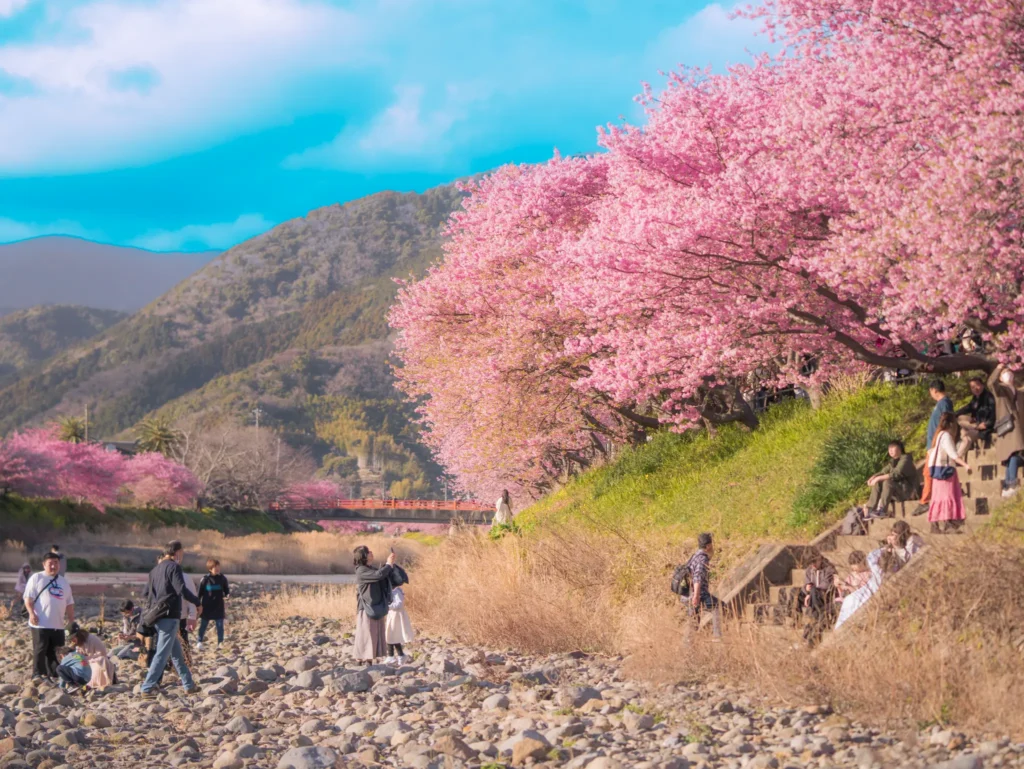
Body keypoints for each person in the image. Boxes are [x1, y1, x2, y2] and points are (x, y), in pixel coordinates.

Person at [139, 540, 201, 696]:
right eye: (182, 553)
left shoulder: (155, 570)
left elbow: (146, 595)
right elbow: (181, 589)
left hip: (157, 616)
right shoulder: (174, 567)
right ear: (177, 552)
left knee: (177, 654)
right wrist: (197, 602)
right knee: (162, 653)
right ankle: (147, 687)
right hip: (170, 615)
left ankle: (188, 685)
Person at [22, 552, 74, 680]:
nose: (53, 566)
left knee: (57, 650)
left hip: (58, 624)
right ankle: (37, 674)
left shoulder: (63, 581)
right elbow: (28, 599)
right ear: (44, 565)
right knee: (40, 649)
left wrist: (71, 621)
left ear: (59, 565)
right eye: (50, 563)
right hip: (40, 622)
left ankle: (55, 673)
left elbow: (69, 602)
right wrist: (31, 613)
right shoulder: (37, 578)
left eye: (56, 563)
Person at [912, 380, 955, 515]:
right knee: (929, 473)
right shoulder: (940, 404)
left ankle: (925, 501)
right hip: (933, 444)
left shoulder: (945, 403)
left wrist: (936, 440)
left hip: (936, 444)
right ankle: (930, 499)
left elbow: (945, 422)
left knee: (928, 473)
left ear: (933, 390)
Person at [834, 547, 901, 630]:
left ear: (862, 563)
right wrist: (840, 586)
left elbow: (864, 590)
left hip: (860, 597)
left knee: (849, 602)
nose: (854, 569)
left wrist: (850, 587)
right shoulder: (851, 576)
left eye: (856, 566)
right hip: (849, 597)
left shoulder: (870, 574)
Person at [927, 412, 972, 533]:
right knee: (948, 496)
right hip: (946, 472)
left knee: (938, 498)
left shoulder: (938, 435)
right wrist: (966, 465)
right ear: (952, 424)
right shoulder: (946, 436)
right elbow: (953, 454)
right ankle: (949, 524)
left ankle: (935, 525)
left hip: (937, 471)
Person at [353, 545, 396, 665]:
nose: (371, 552)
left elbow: (381, 576)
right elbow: (378, 575)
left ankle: (368, 658)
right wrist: (388, 564)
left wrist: (390, 565)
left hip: (376, 605)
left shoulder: (370, 568)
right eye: (368, 552)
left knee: (374, 632)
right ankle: (362, 658)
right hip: (367, 607)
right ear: (363, 556)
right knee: (366, 632)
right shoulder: (361, 570)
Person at [990, 365, 1024, 498]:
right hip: (1008, 428)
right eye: (1004, 373)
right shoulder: (1000, 390)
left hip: (1019, 428)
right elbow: (990, 383)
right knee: (1013, 454)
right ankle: (1011, 483)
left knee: (1013, 456)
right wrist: (998, 368)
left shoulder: (1020, 392)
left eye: (1008, 372)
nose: (1007, 374)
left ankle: (1008, 485)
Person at [864, 441, 917, 517]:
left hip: (909, 492)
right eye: (889, 449)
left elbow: (896, 474)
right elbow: (883, 472)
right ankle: (870, 509)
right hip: (900, 490)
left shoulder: (906, 460)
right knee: (878, 482)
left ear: (900, 449)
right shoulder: (893, 462)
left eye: (892, 448)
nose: (890, 450)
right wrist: (873, 477)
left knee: (888, 482)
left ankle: (882, 510)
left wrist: (879, 478)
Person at [795, 548, 837, 644]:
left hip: (823, 597)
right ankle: (796, 620)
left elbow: (826, 586)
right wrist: (806, 589)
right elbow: (806, 583)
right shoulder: (810, 570)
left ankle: (813, 619)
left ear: (820, 558)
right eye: (810, 563)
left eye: (814, 562)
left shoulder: (829, 569)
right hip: (811, 596)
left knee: (814, 591)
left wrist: (812, 592)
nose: (813, 565)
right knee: (795, 592)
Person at [58, 623, 115, 692]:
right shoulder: (78, 644)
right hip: (86, 665)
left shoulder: (92, 639)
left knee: (101, 661)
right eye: (70, 639)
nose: (72, 641)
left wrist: (87, 658)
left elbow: (102, 654)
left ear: (78, 635)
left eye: (73, 638)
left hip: (96, 662)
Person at [688, 532, 721, 638]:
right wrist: (696, 596)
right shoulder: (703, 558)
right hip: (698, 594)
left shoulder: (694, 556)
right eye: (712, 545)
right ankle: (717, 638)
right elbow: (697, 577)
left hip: (689, 593)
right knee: (718, 607)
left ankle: (689, 646)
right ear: (708, 546)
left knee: (694, 621)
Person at [955, 377, 996, 458]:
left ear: (982, 385)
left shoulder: (989, 397)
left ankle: (957, 457)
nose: (975, 389)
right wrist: (954, 413)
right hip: (976, 424)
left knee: (966, 437)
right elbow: (968, 407)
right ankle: (972, 428)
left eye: (977, 385)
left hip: (985, 428)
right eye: (972, 387)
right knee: (960, 418)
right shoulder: (975, 398)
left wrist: (987, 424)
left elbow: (993, 413)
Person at [197, 559, 230, 650]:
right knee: (203, 625)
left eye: (218, 566)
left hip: (219, 606)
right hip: (207, 607)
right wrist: (198, 605)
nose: (217, 568)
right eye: (215, 567)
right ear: (210, 569)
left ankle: (220, 643)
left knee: (220, 626)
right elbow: (199, 594)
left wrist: (227, 595)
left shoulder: (223, 578)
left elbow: (226, 590)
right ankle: (199, 642)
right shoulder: (205, 579)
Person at [384, 563, 414, 665]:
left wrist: (388, 606)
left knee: (391, 635)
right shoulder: (394, 591)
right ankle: (400, 655)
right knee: (392, 635)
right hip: (392, 615)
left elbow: (399, 604)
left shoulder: (396, 592)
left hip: (396, 615)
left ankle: (391, 656)